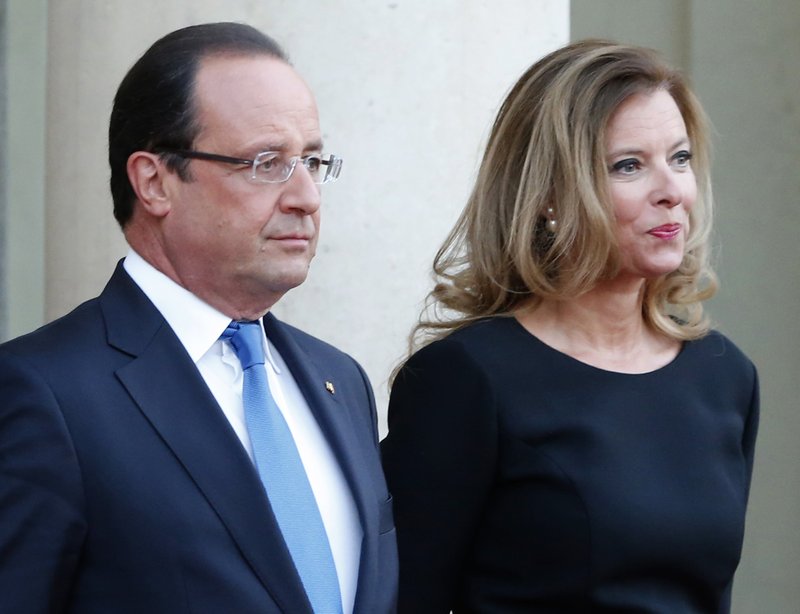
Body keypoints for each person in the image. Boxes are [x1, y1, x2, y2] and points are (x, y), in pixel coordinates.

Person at [0, 22, 397, 614]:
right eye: (266, 162)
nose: (307, 196)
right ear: (155, 182)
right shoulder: (44, 391)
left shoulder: (338, 381)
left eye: (313, 161)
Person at [381, 40, 758, 613]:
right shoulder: (465, 379)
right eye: (628, 165)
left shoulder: (724, 374)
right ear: (548, 197)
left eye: (679, 158)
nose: (673, 191)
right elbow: (407, 597)